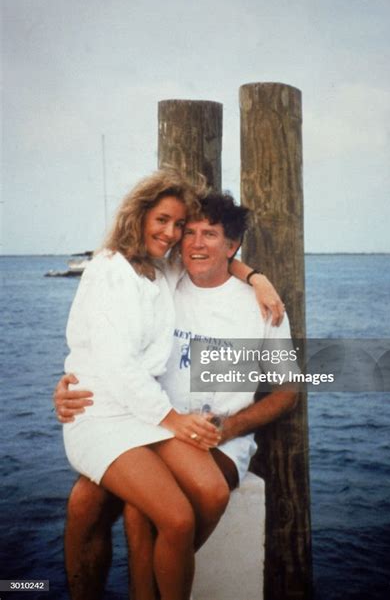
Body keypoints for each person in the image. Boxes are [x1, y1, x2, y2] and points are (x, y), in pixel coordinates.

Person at [58, 170, 286, 600]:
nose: (179, 236)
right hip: (118, 412)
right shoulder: (112, 270)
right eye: (168, 222)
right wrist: (172, 418)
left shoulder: (164, 271)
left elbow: (214, 259)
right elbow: (110, 358)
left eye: (180, 225)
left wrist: (256, 277)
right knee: (97, 504)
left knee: (190, 505)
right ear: (139, 215)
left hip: (147, 415)